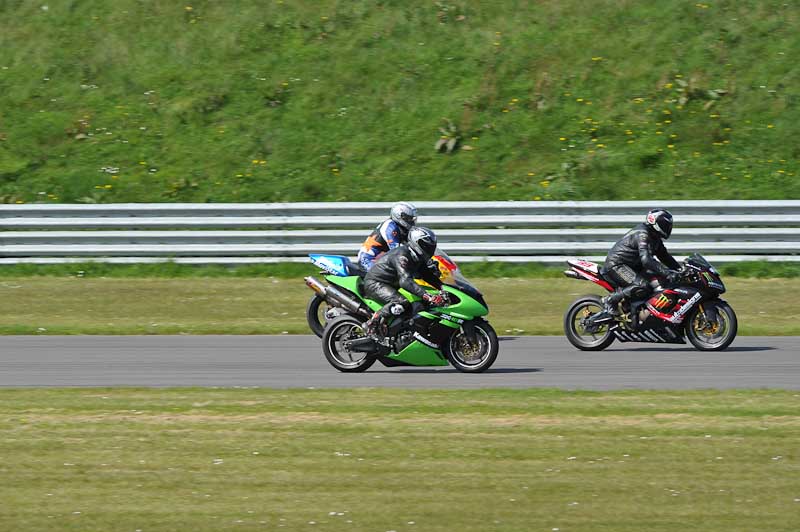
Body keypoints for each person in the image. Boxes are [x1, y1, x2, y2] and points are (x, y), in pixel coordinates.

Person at [593, 209, 682, 321]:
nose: (668, 228)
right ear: (657, 223)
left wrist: (680, 270)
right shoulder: (643, 234)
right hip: (617, 265)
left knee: (659, 280)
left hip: (632, 266)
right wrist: (667, 272)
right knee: (642, 285)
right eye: (665, 224)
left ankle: (639, 311)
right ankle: (610, 300)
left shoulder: (655, 238)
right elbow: (646, 260)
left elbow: (665, 257)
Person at [362, 226, 447, 343]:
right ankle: (372, 324)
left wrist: (443, 288)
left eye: (431, 246)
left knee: (416, 304)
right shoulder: (403, 256)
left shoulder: (417, 257)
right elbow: (405, 281)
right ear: (417, 243)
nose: (430, 249)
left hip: (390, 284)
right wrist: (428, 296)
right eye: (427, 245)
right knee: (402, 302)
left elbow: (427, 275)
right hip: (375, 283)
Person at [357, 202, 418, 270]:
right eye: (409, 218)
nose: (411, 221)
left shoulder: (402, 228)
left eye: (412, 219)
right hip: (369, 259)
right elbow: (396, 250)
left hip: (381, 259)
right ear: (400, 216)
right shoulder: (390, 227)